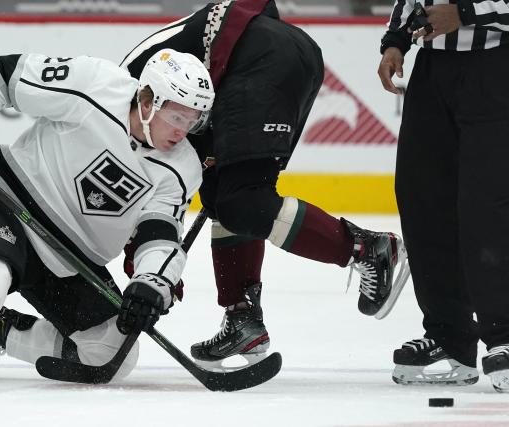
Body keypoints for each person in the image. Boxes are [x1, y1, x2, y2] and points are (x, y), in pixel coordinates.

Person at [0, 48, 214, 391]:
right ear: (148, 101)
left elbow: (159, 233)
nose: (184, 131)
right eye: (177, 116)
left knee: (111, 354)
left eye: (193, 120)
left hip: (70, 260)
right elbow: (2, 74)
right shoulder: (96, 85)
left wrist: (152, 281)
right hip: (6, 203)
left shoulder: (181, 168)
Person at [121, 0, 409, 366]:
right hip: (268, 57)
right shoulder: (135, 107)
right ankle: (243, 319)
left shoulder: (124, 98)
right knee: (222, 194)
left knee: (242, 200)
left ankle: (365, 248)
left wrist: (151, 279)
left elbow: (160, 202)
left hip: (261, 59)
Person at [378, 1, 509, 391]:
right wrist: (396, 41)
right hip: (433, 73)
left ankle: (503, 334)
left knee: (488, 206)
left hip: (496, 68)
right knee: (424, 202)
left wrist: (467, 13)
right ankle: (449, 335)